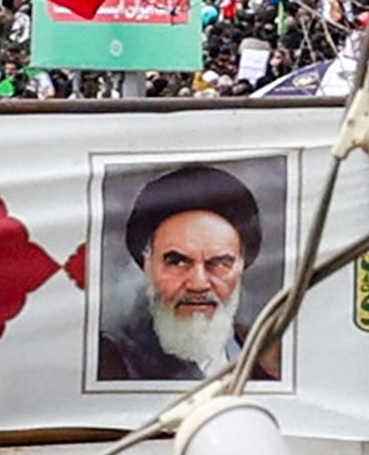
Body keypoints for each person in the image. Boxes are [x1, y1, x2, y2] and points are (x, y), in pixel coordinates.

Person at [99, 164, 281, 383]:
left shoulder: (269, 353)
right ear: (148, 264)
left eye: (219, 263)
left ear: (241, 265)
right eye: (178, 262)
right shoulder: (113, 361)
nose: (198, 284)